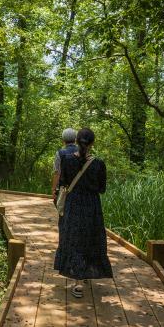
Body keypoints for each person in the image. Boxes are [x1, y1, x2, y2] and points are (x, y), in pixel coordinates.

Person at [53, 127, 113, 298]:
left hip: (72, 205)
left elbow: (63, 182)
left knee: (73, 239)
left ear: (76, 141)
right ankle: (86, 273)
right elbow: (102, 189)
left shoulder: (66, 159)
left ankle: (77, 283)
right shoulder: (99, 164)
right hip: (92, 207)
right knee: (90, 239)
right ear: (92, 143)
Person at [51, 128, 78, 204]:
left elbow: (57, 173)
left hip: (64, 189)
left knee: (63, 211)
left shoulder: (60, 153)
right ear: (75, 139)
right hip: (79, 190)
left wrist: (54, 189)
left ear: (63, 140)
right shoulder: (82, 152)